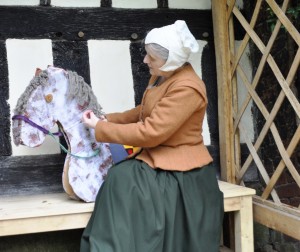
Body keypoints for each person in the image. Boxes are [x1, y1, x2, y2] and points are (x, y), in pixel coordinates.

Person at [80, 20, 224, 252]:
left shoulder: (187, 88)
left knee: (123, 179)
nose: (146, 60)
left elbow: (151, 132)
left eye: (152, 58)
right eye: (147, 55)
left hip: (181, 170)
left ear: (171, 60)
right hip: (159, 157)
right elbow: (143, 111)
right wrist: (107, 119)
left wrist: (100, 128)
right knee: (121, 176)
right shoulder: (162, 76)